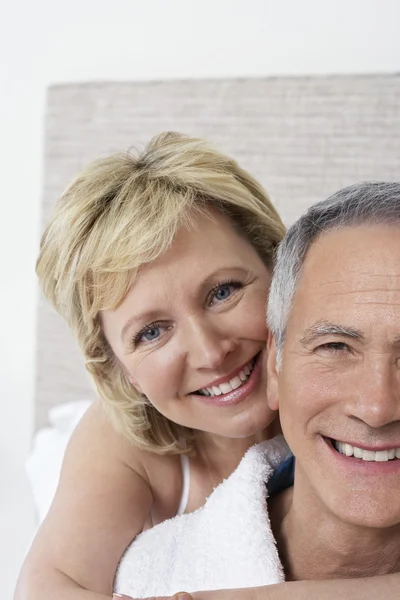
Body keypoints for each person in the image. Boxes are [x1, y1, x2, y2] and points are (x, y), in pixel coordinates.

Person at [14, 133, 399, 599]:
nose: (211, 352)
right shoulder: (119, 444)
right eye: (151, 332)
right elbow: (48, 586)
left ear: (279, 274)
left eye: (223, 292)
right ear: (119, 369)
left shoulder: (346, 398)